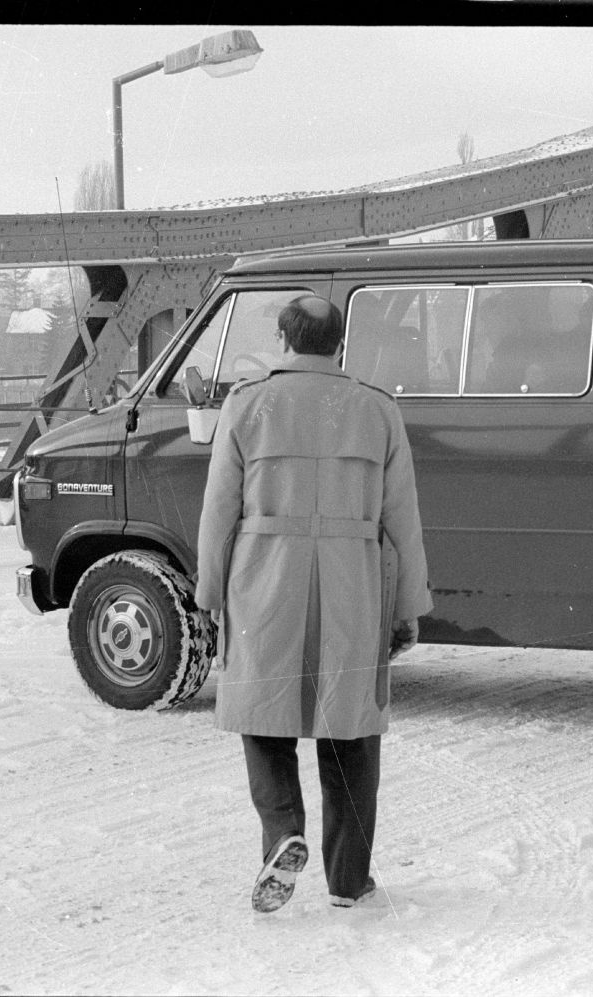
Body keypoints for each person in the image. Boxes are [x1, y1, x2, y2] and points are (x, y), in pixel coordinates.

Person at [195, 294, 433, 914]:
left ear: (283, 338)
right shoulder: (378, 410)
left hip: (263, 579)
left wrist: (210, 593)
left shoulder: (248, 405)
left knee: (262, 713)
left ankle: (283, 833)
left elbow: (220, 510)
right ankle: (349, 882)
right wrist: (406, 606)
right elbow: (400, 518)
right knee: (349, 726)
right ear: (340, 344)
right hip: (352, 582)